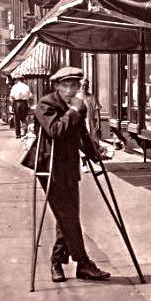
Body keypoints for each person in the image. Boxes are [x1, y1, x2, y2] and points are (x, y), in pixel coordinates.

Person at [28, 66, 110, 283]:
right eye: (65, 85)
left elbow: (80, 134)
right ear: (57, 86)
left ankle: (57, 262)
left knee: (67, 215)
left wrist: (95, 153)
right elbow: (55, 130)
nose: (70, 90)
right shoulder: (46, 104)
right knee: (68, 215)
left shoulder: (77, 106)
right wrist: (73, 111)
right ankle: (83, 264)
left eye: (74, 85)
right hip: (51, 167)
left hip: (69, 167)